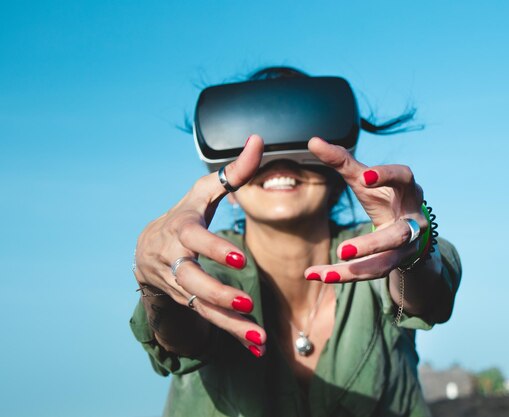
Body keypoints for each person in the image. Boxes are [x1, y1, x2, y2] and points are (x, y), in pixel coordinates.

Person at [130, 67, 462, 417]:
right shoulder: (205, 262)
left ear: (337, 176)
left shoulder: (379, 250)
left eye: (299, 139)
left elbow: (424, 296)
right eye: (252, 148)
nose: (278, 164)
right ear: (227, 190)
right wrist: (159, 283)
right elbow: (182, 338)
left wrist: (414, 249)